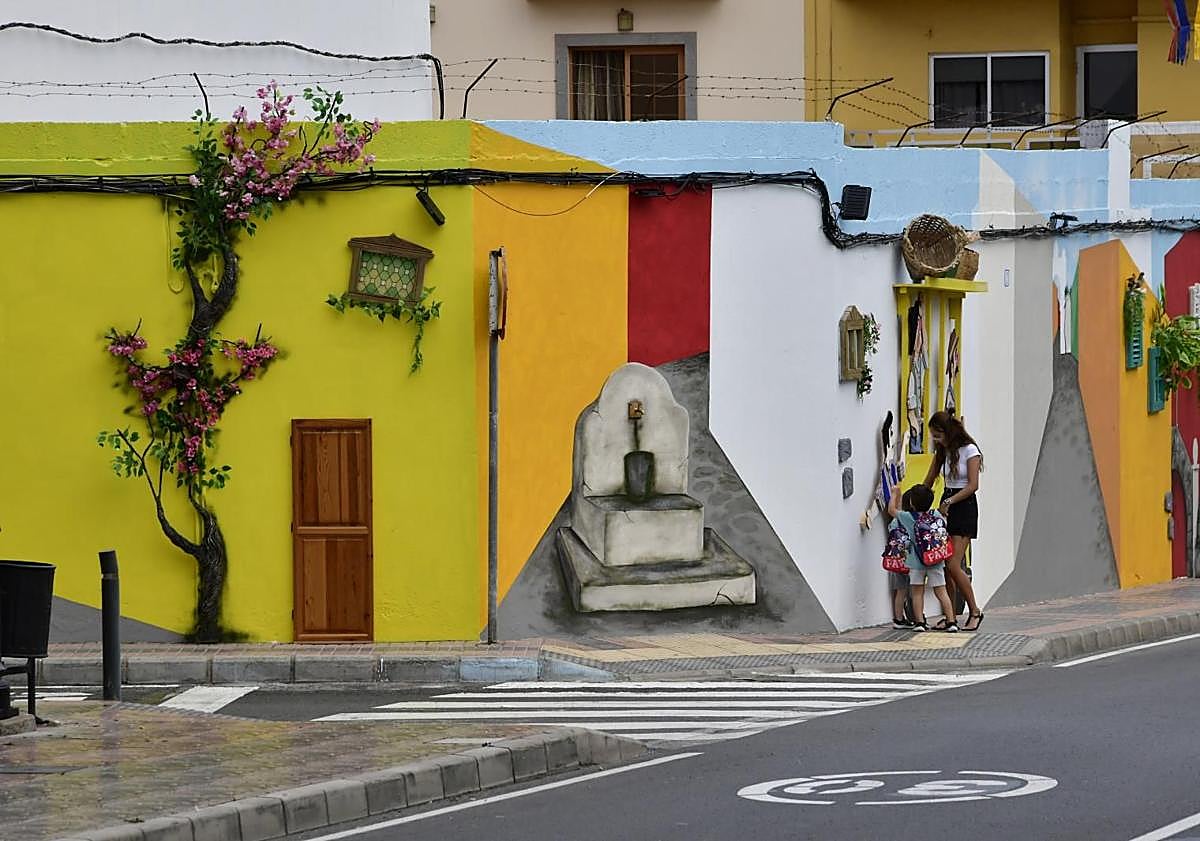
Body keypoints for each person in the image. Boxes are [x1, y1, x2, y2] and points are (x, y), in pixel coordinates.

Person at [923, 411, 984, 631]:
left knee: (953, 564)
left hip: (963, 505)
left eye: (938, 435)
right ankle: (951, 616)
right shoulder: (943, 452)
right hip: (947, 503)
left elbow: (973, 485)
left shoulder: (970, 450)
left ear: (948, 431)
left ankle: (975, 610)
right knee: (944, 564)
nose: (935, 440)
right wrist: (916, 500)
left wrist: (949, 502)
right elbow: (929, 479)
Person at [887, 484, 958, 633]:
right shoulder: (936, 515)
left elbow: (891, 511)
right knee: (941, 591)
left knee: (917, 592)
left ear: (911, 502)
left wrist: (894, 494)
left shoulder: (907, 517)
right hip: (936, 560)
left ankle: (919, 622)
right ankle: (951, 621)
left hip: (915, 562)